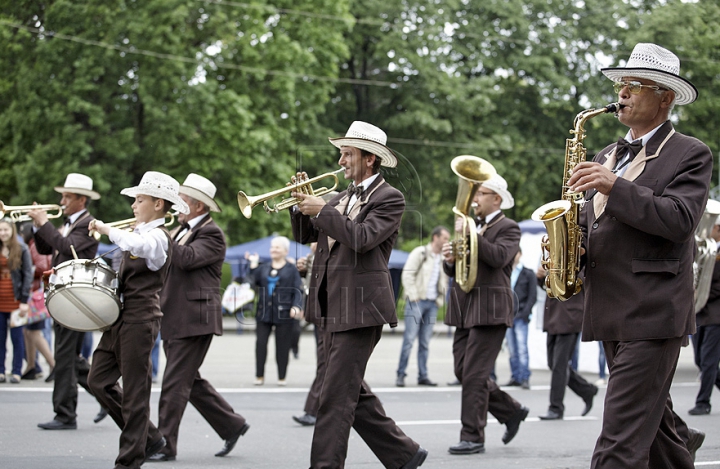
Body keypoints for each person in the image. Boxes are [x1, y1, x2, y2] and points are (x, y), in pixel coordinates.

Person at [566, 43, 712, 468]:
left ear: (665, 97)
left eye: (635, 85)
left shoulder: (690, 152)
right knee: (661, 440)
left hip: (652, 311)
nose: (623, 93)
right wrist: (564, 252)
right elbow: (596, 226)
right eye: (620, 84)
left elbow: (680, 219)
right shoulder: (605, 155)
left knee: (619, 440)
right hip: (609, 308)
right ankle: (681, 441)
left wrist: (615, 186)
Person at [290, 121, 427, 468]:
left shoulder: (390, 198)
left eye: (347, 154)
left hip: (361, 308)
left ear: (370, 159)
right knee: (351, 390)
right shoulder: (339, 197)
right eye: (341, 153)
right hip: (329, 306)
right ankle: (404, 455)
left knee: (334, 396)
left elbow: (363, 238)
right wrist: (299, 205)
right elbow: (307, 236)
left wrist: (322, 210)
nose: (340, 161)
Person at [87, 171, 190, 469]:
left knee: (135, 393)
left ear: (158, 204)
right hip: (120, 317)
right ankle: (149, 436)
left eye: (140, 199)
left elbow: (140, 248)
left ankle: (129, 460)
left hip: (140, 319)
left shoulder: (156, 237)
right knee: (98, 381)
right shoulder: (140, 233)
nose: (133, 205)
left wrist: (109, 230)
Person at [146, 173, 249, 462]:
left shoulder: (211, 233)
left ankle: (165, 445)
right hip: (177, 316)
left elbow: (186, 258)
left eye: (183, 202)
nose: (177, 207)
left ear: (199, 207)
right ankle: (232, 424)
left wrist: (157, 232)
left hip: (195, 318)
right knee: (189, 382)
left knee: (174, 383)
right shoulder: (181, 230)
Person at [441, 172, 529, 455]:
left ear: (497, 199)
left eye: (480, 194)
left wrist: (470, 236)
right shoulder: (473, 226)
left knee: (475, 375)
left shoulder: (510, 227)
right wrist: (451, 260)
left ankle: (472, 436)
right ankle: (511, 411)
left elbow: (499, 257)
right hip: (466, 307)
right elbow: (461, 269)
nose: (474, 199)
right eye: (475, 193)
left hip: (490, 308)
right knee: (462, 370)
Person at [28, 173, 105, 428]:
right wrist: (37, 227)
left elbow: (66, 244)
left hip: (77, 297)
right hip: (64, 294)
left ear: (81, 200)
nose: (61, 201)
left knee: (65, 355)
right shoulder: (69, 221)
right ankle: (109, 395)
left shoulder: (88, 224)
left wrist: (44, 224)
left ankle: (65, 414)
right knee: (70, 356)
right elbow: (47, 249)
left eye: (67, 197)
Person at [536, 268, 598, 420]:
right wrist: (542, 277)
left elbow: (583, 281)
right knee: (553, 363)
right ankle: (587, 390)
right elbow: (548, 287)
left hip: (570, 316)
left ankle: (556, 408)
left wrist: (559, 273)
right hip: (553, 317)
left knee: (559, 365)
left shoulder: (580, 256)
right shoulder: (555, 257)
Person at [245, 236, 304, 386]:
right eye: (272, 247)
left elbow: (298, 290)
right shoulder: (263, 267)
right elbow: (250, 282)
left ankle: (282, 376)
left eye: (277, 247)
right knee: (260, 344)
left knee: (282, 345)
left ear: (285, 251)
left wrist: (296, 306)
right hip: (264, 312)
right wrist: (252, 265)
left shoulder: (291, 270)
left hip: (284, 313)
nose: (274, 250)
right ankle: (259, 376)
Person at [396, 225, 450, 387]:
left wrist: (440, 300)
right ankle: (401, 374)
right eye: (445, 238)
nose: (447, 241)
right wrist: (413, 296)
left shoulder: (443, 258)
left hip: (432, 304)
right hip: (417, 302)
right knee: (409, 340)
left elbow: (445, 279)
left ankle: (423, 375)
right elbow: (407, 274)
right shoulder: (420, 253)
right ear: (435, 237)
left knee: (425, 342)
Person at [690, 214, 720, 416]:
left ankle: (703, 402)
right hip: (700, 313)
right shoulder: (704, 250)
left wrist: (702, 291)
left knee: (709, 360)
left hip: (716, 314)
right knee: (700, 360)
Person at [18, 222, 55, 380]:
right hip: (35, 293)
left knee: (34, 331)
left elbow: (42, 267)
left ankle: (53, 365)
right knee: (28, 331)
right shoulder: (34, 245)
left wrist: (25, 269)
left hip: (36, 294)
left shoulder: (33, 246)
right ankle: (31, 366)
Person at [0, 218, 32, 383]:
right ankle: (1, 370)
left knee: (17, 338)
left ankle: (16, 371)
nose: (3, 233)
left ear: (12, 230)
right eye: (0, 230)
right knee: (0, 338)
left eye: (6, 230)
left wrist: (24, 300)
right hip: (0, 301)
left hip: (15, 301)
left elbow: (28, 274)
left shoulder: (22, 249)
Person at [505, 247, 536, 389]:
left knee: (522, 348)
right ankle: (515, 376)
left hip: (520, 315)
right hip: (507, 316)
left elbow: (532, 296)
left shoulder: (527, 273)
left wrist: (525, 313)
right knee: (511, 349)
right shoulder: (506, 272)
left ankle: (525, 377)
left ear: (520, 254)